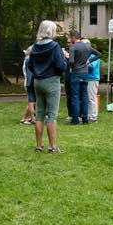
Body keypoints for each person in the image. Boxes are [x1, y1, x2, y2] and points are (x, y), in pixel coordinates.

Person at [27, 20, 68, 153]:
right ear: (51, 31)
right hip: (51, 81)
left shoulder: (35, 46)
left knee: (39, 114)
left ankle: (39, 146)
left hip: (38, 81)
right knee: (51, 115)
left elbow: (30, 65)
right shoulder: (54, 46)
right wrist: (65, 60)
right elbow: (60, 65)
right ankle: (53, 147)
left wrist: (38, 72)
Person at [67, 30, 101, 125]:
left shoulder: (73, 47)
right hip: (85, 73)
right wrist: (90, 60)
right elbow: (99, 54)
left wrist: (73, 67)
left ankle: (75, 119)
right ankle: (85, 118)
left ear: (73, 37)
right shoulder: (87, 46)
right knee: (85, 96)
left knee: (75, 97)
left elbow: (71, 61)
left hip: (76, 73)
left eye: (70, 37)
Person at [85, 39, 101, 123]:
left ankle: (93, 116)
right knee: (88, 98)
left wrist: (82, 63)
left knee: (92, 98)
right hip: (88, 78)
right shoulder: (88, 55)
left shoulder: (93, 55)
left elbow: (91, 67)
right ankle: (89, 115)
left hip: (92, 79)